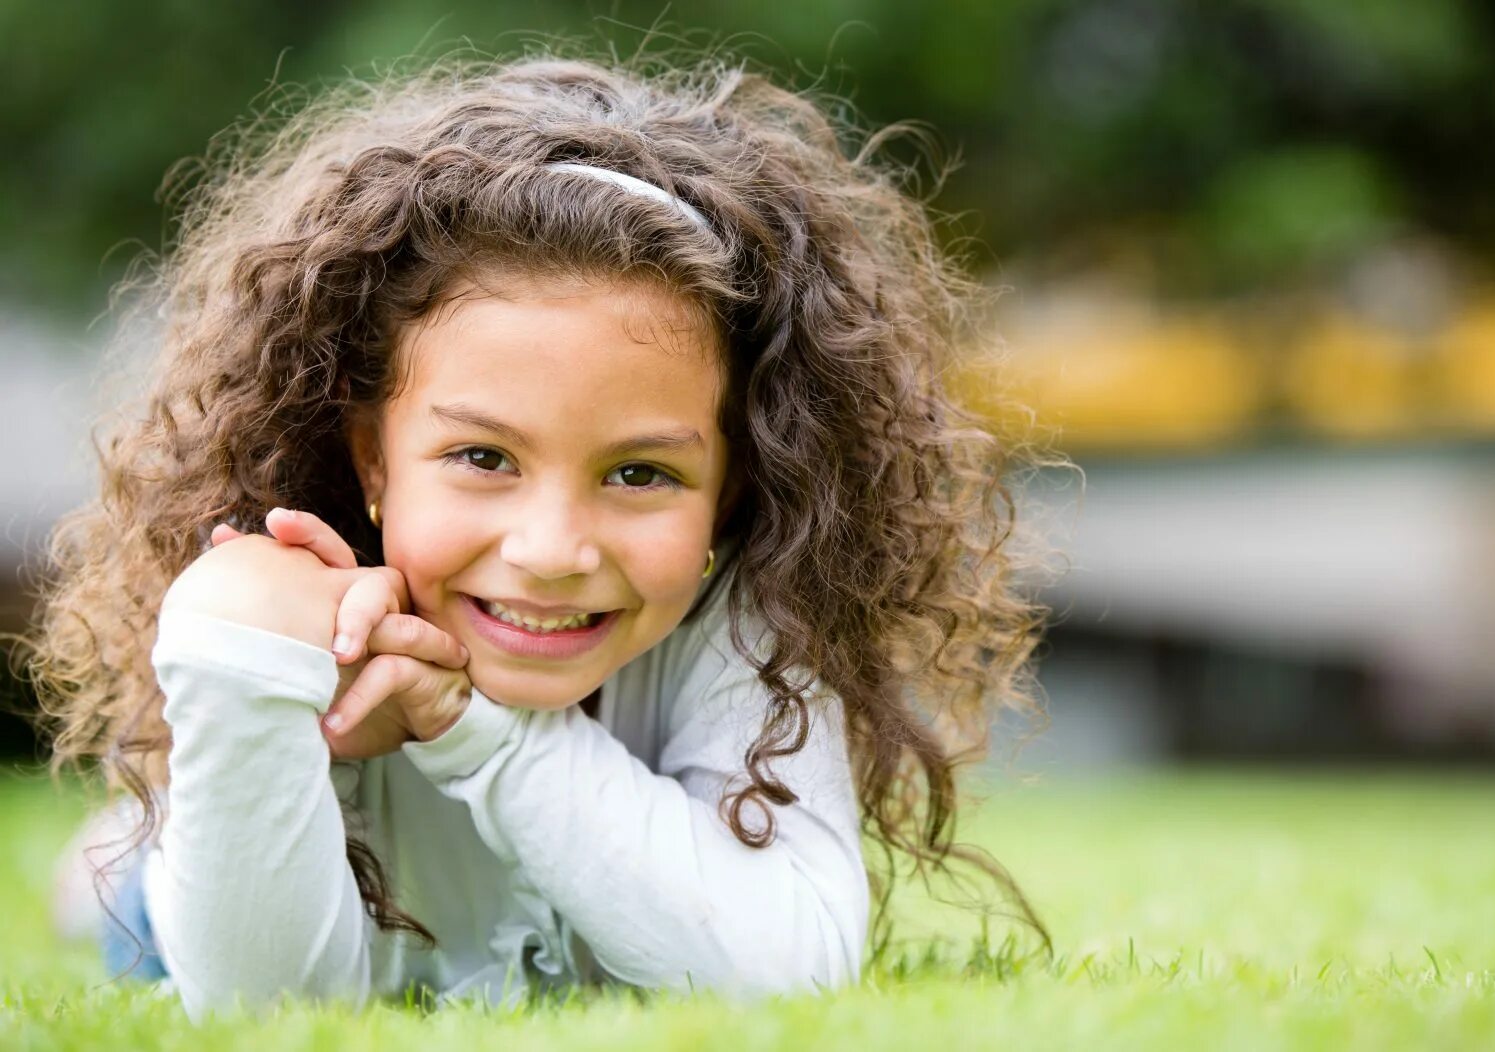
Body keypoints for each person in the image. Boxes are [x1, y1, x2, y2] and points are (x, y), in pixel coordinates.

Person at [24, 47, 1050, 1020]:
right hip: (192, 910)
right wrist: (238, 652)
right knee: (133, 898)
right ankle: (112, 854)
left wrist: (473, 725)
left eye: (640, 472)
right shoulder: (312, 634)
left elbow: (793, 963)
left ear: (732, 488)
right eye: (482, 458)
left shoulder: (742, 621)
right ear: (373, 456)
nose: (553, 548)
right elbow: (265, 1009)